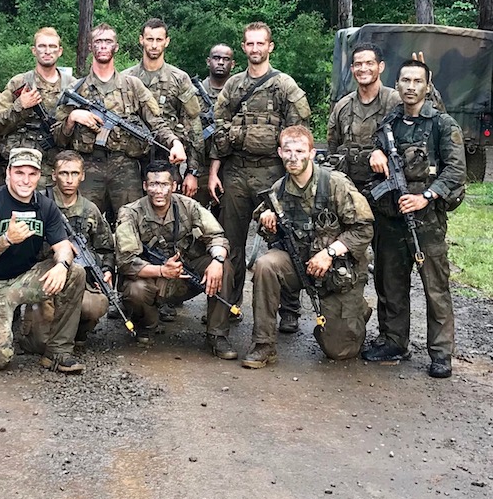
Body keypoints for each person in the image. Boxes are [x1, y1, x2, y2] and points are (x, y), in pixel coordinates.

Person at [363, 60, 466, 378]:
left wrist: (426, 195)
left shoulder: (442, 124)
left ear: (427, 84)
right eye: (405, 80)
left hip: (426, 221)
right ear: (397, 84)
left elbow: (456, 171)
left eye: (417, 81)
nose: (410, 86)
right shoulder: (389, 122)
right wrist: (374, 152)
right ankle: (394, 341)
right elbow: (374, 152)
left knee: (435, 287)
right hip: (390, 218)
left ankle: (441, 352)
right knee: (390, 284)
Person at [241, 126, 374, 369]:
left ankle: (357, 310)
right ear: (280, 153)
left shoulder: (335, 184)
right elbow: (262, 227)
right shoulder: (278, 190)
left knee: (340, 351)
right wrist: (266, 221)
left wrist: (330, 252)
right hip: (299, 264)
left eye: (300, 151)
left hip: (336, 271)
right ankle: (263, 345)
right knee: (265, 265)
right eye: (288, 151)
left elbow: (364, 229)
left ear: (312, 153)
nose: (293, 157)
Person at [209, 22, 311, 326]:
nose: (255, 49)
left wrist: (294, 178)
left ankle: (289, 310)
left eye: (260, 44)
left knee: (283, 241)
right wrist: (214, 171)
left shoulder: (285, 87)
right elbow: (217, 130)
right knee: (230, 243)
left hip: (274, 175)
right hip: (236, 172)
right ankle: (230, 303)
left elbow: (299, 134)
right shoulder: (233, 86)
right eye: (250, 44)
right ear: (243, 48)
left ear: (270, 47)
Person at [0, 147, 87, 373]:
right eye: (19, 173)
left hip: (25, 279)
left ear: (39, 176)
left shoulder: (45, 205)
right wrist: (5, 240)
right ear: (8, 173)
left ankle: (58, 352)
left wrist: (62, 265)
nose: (25, 180)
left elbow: (63, 246)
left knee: (75, 272)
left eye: (32, 174)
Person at [54, 23, 185, 223]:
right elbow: (57, 137)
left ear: (116, 47)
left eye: (108, 42)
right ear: (90, 46)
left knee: (130, 224)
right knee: (82, 223)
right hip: (88, 168)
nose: (103, 46)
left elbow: (155, 122)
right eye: (98, 41)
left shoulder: (132, 85)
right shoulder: (75, 89)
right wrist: (72, 119)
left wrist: (174, 143)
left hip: (125, 168)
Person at [114, 160, 236, 356]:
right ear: (145, 186)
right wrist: (162, 271)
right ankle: (147, 324)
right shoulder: (130, 212)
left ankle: (217, 334)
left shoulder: (189, 206)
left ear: (174, 186)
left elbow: (216, 237)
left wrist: (218, 261)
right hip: (153, 277)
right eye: (153, 184)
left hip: (186, 274)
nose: (158, 190)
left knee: (225, 267)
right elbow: (126, 261)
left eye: (164, 184)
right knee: (135, 289)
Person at [20, 149, 115, 353]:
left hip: (76, 274)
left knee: (96, 305)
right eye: (64, 173)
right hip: (42, 272)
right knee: (38, 346)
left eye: (74, 174)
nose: (69, 179)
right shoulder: (38, 202)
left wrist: (106, 270)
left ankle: (77, 332)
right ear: (54, 175)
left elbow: (105, 246)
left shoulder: (90, 209)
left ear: (82, 176)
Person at [124, 18, 203, 198]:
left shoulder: (179, 78)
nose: (154, 45)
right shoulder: (126, 79)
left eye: (159, 40)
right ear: (141, 40)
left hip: (168, 159)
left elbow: (193, 127)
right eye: (149, 39)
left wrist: (192, 172)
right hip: (131, 162)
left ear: (166, 41)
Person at [0, 26, 73, 187]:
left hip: (57, 171)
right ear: (34, 50)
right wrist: (20, 105)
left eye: (52, 46)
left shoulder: (72, 86)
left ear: (60, 51)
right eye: (42, 46)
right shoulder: (19, 83)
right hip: (23, 169)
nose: (47, 51)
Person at [326, 42, 401, 189]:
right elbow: (333, 148)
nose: (363, 69)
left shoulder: (396, 102)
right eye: (358, 64)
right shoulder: (342, 106)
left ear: (381, 67)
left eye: (369, 63)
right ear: (352, 69)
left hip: (387, 187)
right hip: (350, 188)